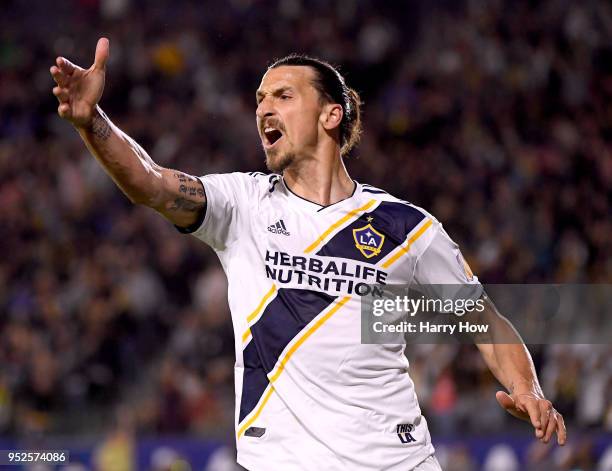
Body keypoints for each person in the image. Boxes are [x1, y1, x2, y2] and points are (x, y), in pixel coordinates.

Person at [50, 38, 566, 471]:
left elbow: (481, 322)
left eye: (282, 95)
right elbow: (151, 183)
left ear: (330, 114)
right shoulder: (242, 205)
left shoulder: (408, 228)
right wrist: (92, 121)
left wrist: (529, 389)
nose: (263, 109)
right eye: (258, 99)